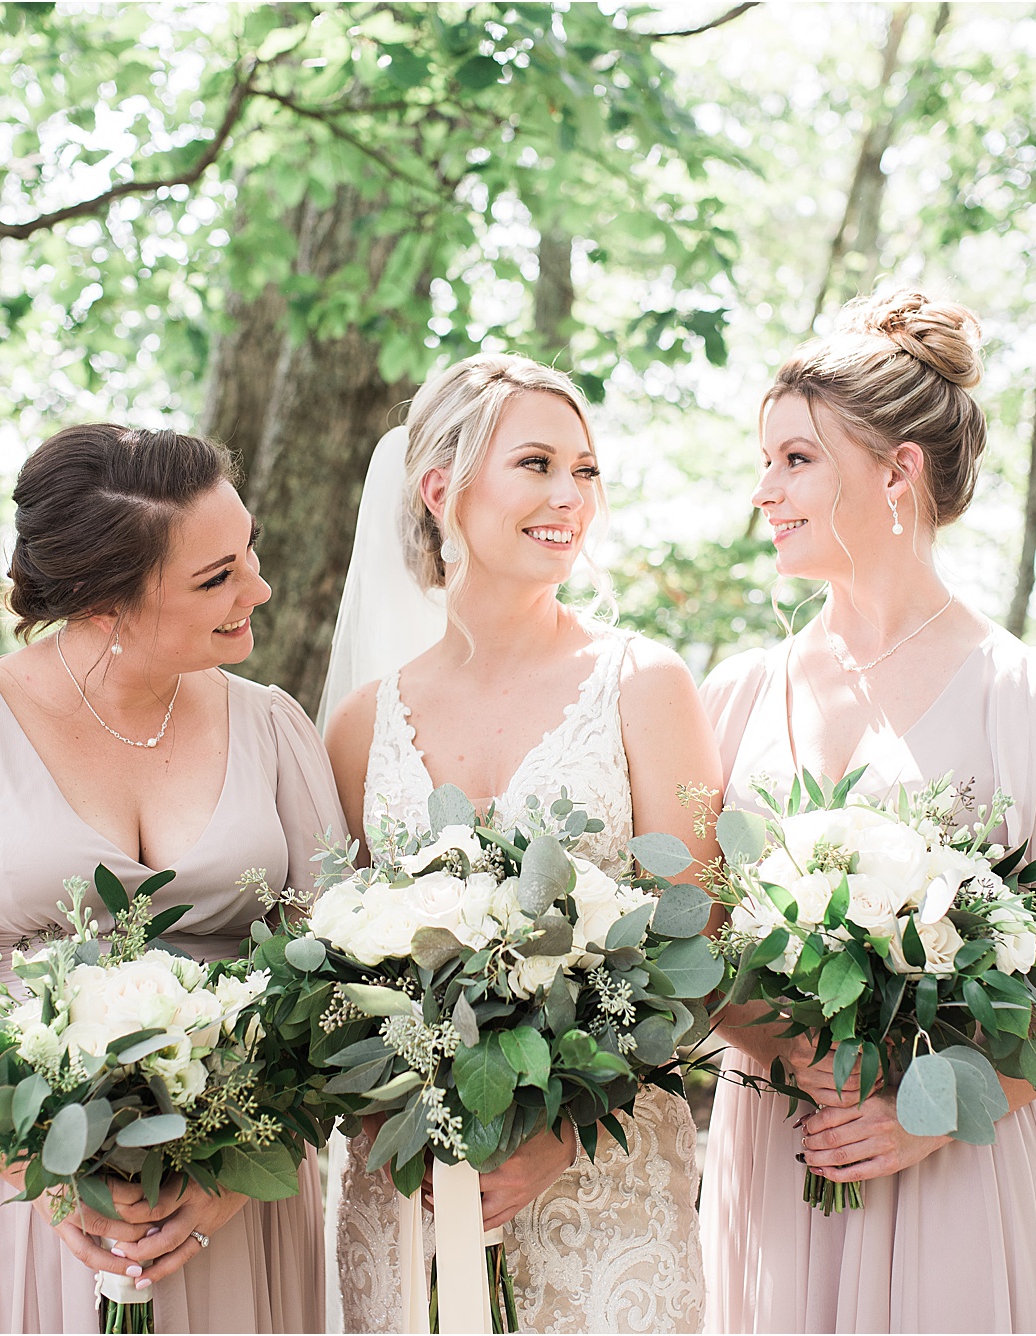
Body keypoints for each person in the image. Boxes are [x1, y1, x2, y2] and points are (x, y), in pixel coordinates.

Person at [698, 291, 1036, 1333]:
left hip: (963, 1168)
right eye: (764, 460)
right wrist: (782, 1047)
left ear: (895, 470)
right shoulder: (733, 693)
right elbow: (689, 945)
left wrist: (942, 1104)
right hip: (782, 1156)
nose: (762, 491)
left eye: (794, 460)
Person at [0, 424, 339, 1333]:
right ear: (105, 602)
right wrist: (41, 1173)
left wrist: (237, 1168)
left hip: (233, 1207)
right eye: (215, 578)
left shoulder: (275, 728)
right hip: (10, 1209)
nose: (257, 588)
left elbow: (333, 986)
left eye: (247, 551)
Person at [322, 354, 722, 1332]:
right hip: (408, 1191)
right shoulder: (361, 724)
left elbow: (701, 948)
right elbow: (333, 978)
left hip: (603, 1185)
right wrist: (407, 1121)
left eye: (584, 469)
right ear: (438, 487)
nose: (569, 496)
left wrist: (558, 1136)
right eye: (536, 464)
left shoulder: (643, 683)